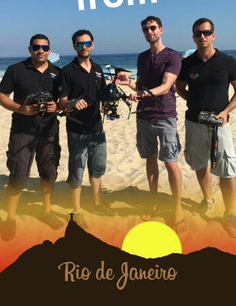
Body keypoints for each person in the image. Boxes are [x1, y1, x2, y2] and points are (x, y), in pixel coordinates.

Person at [116, 16, 185, 232]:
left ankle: (178, 207)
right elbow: (140, 86)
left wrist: (143, 93)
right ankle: (153, 202)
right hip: (143, 117)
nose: (149, 32)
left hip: (165, 116)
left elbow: (165, 86)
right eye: (145, 29)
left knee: (171, 162)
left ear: (161, 30)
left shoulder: (172, 56)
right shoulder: (142, 57)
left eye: (153, 28)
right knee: (150, 160)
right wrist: (129, 83)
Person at [176, 17, 236, 237]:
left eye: (206, 32)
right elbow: (179, 87)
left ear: (213, 35)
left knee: (227, 169)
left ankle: (230, 213)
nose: (202, 36)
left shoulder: (228, 62)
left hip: (220, 124)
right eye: (198, 33)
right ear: (193, 37)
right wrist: (192, 100)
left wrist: (226, 111)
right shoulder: (188, 63)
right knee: (200, 164)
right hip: (194, 122)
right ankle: (208, 199)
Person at [0, 34, 62, 241]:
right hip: (22, 131)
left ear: (49, 50)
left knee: (48, 173)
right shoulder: (15, 70)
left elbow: (63, 101)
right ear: (30, 49)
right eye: (36, 47)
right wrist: (21, 109)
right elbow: (1, 95)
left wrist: (57, 106)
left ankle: (46, 211)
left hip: (49, 131)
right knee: (18, 175)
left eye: (45, 47)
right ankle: (10, 217)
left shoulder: (57, 73)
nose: (41, 51)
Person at [59, 29, 110, 225]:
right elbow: (62, 102)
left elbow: (102, 95)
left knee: (97, 168)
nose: (84, 47)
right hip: (76, 129)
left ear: (93, 44)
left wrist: (106, 106)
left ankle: (97, 203)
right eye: (79, 44)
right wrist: (72, 104)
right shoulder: (67, 71)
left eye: (87, 43)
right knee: (77, 169)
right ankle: (76, 211)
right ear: (74, 46)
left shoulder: (97, 69)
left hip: (97, 127)